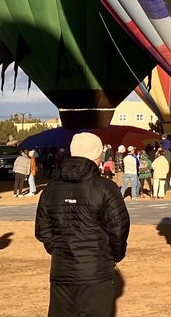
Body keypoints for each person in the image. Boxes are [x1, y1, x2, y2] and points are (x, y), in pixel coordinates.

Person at [35, 132, 128, 317]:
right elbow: (118, 229)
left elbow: (42, 230)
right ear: (97, 155)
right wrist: (113, 255)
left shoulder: (51, 188)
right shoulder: (105, 188)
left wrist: (60, 249)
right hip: (96, 270)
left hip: (62, 271)